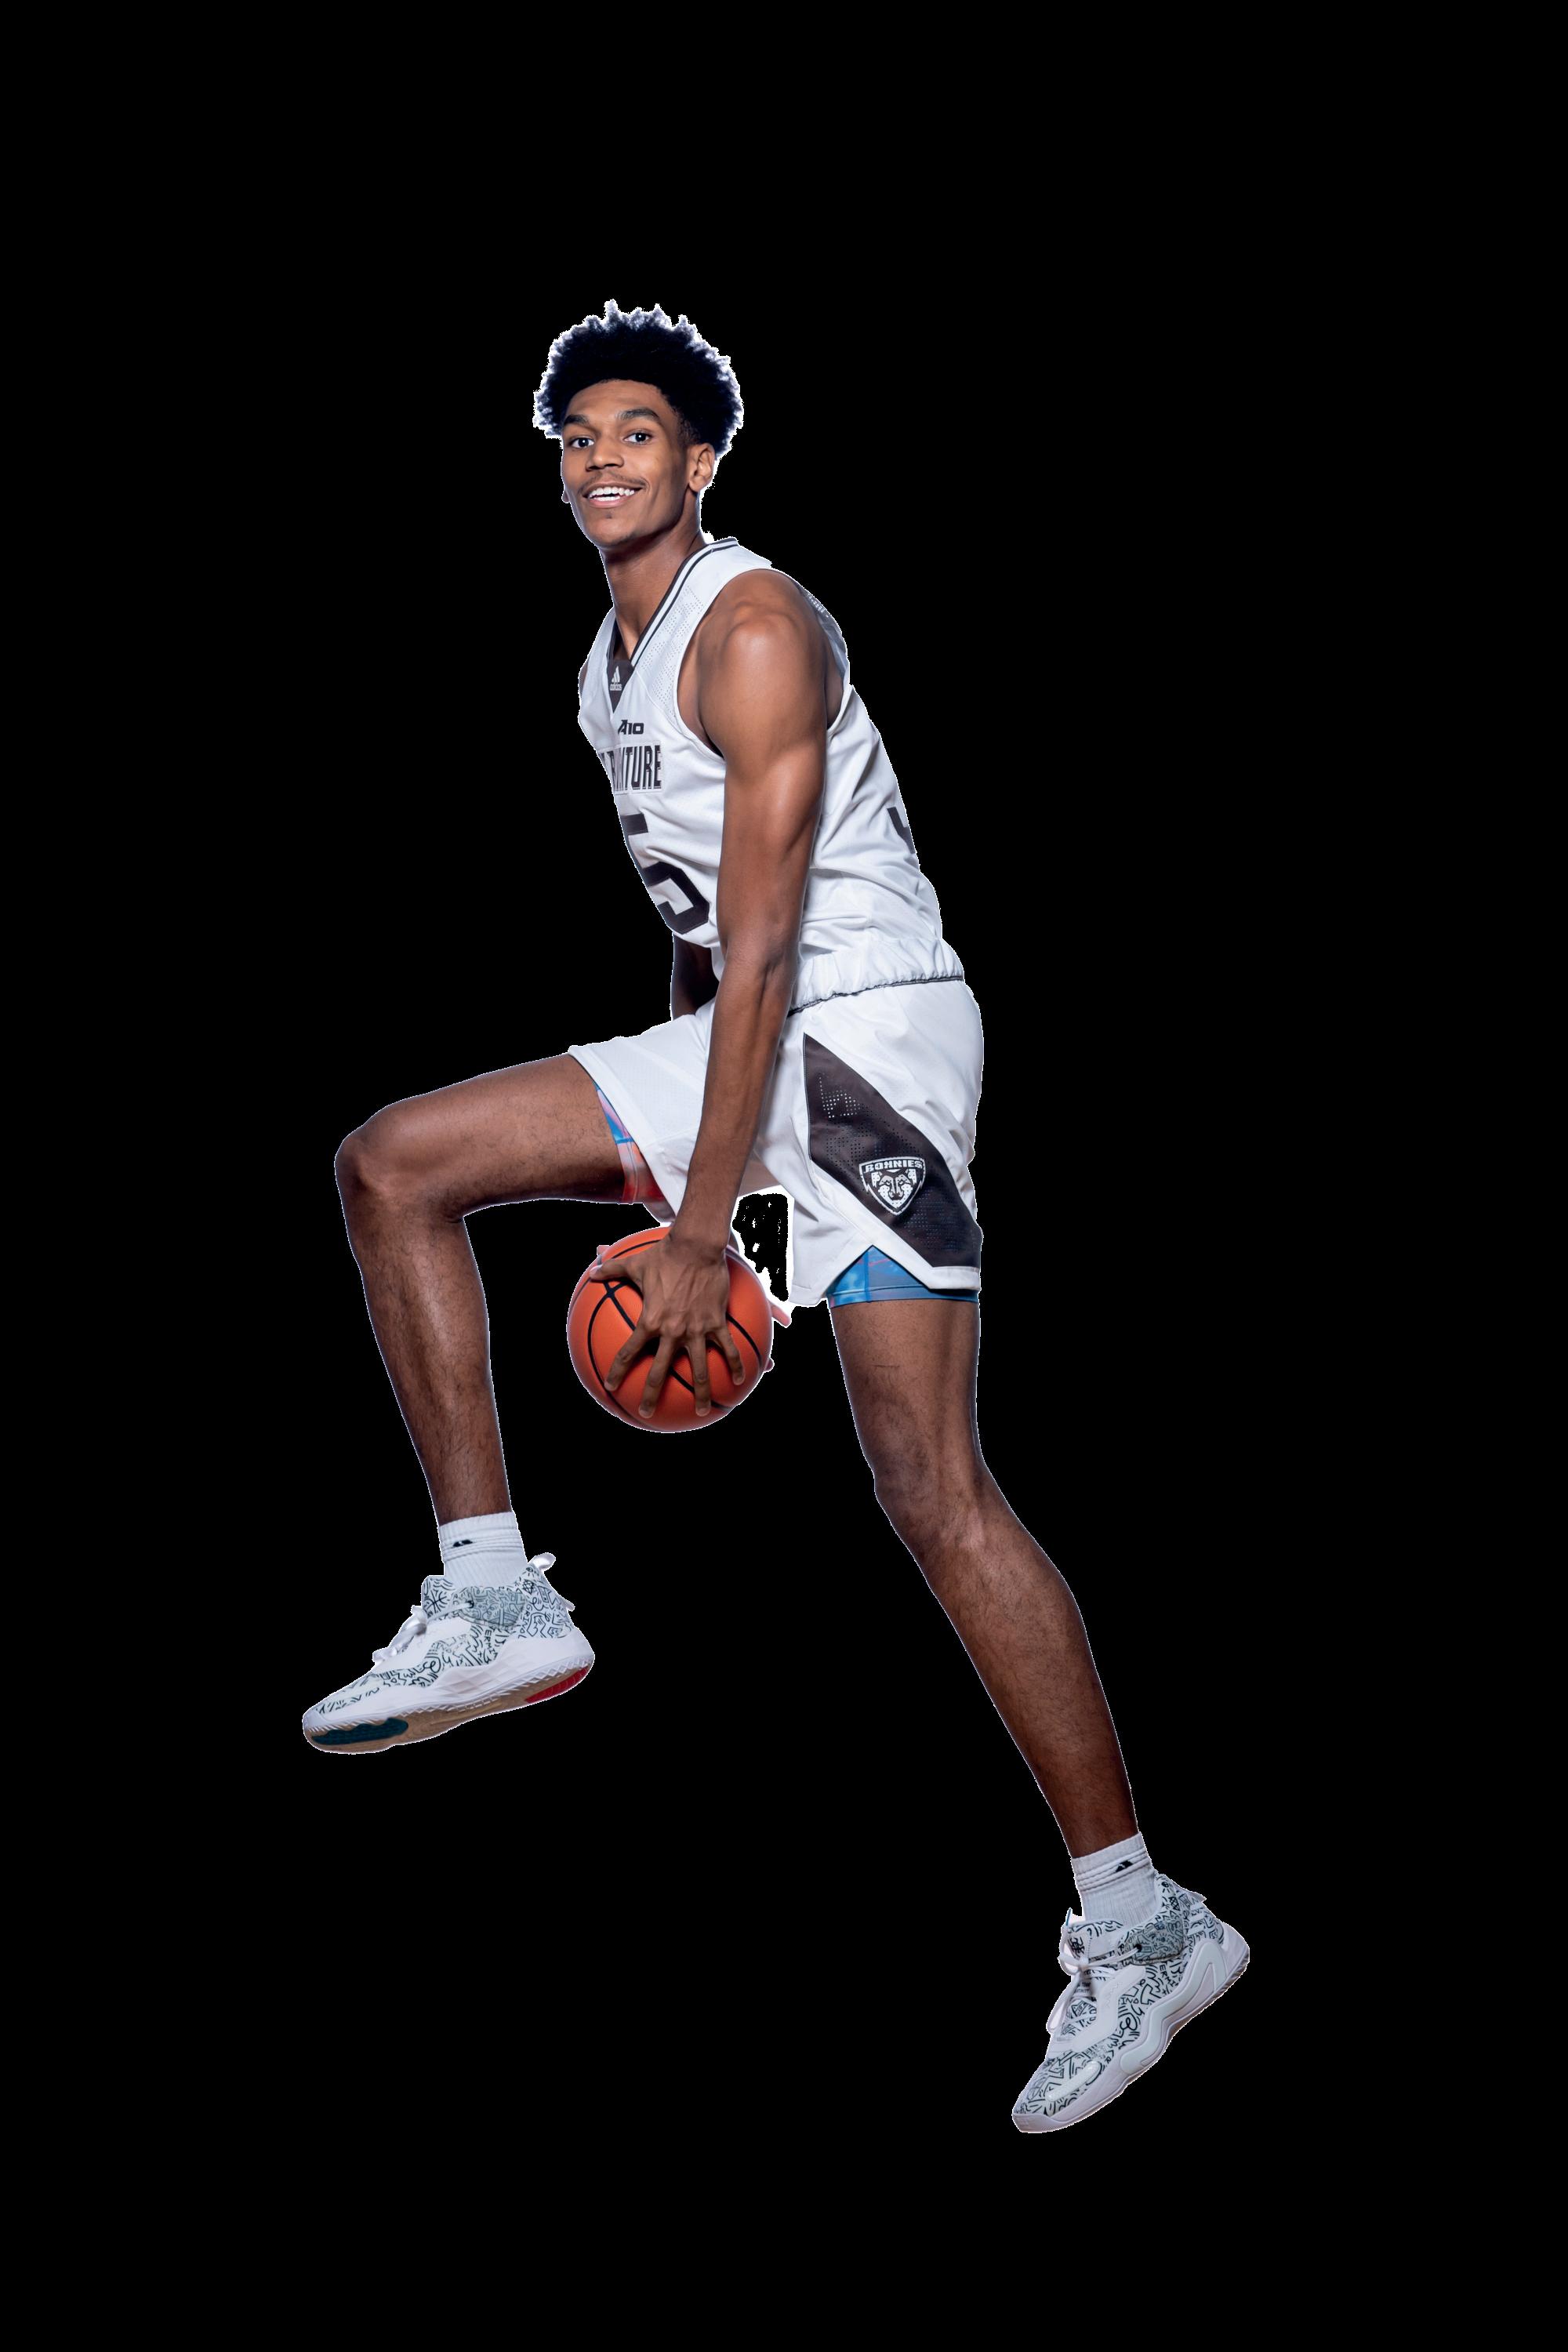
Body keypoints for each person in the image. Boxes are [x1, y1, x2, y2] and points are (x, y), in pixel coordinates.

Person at [304, 300, 1250, 2131]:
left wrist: (692, 1225)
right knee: (407, 1172)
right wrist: (711, 1189)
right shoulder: (610, 667)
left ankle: (1136, 1925)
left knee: (923, 1482)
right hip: (781, 1050)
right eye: (578, 435)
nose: (603, 457)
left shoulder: (750, 630)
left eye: (638, 432)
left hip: (861, 1044)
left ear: (702, 460)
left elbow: (761, 955)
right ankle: (1145, 1920)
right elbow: (697, 946)